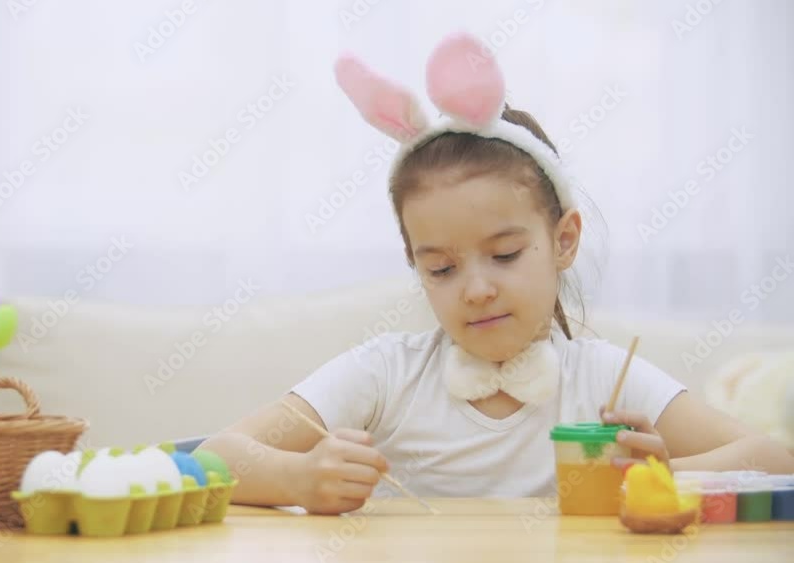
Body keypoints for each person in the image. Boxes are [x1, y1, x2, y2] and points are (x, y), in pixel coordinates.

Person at [196, 32, 794, 515]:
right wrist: (297, 478)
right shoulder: (384, 373)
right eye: (441, 268)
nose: (477, 290)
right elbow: (213, 457)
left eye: (505, 255)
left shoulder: (603, 379)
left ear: (564, 240)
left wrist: (665, 473)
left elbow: (775, 459)